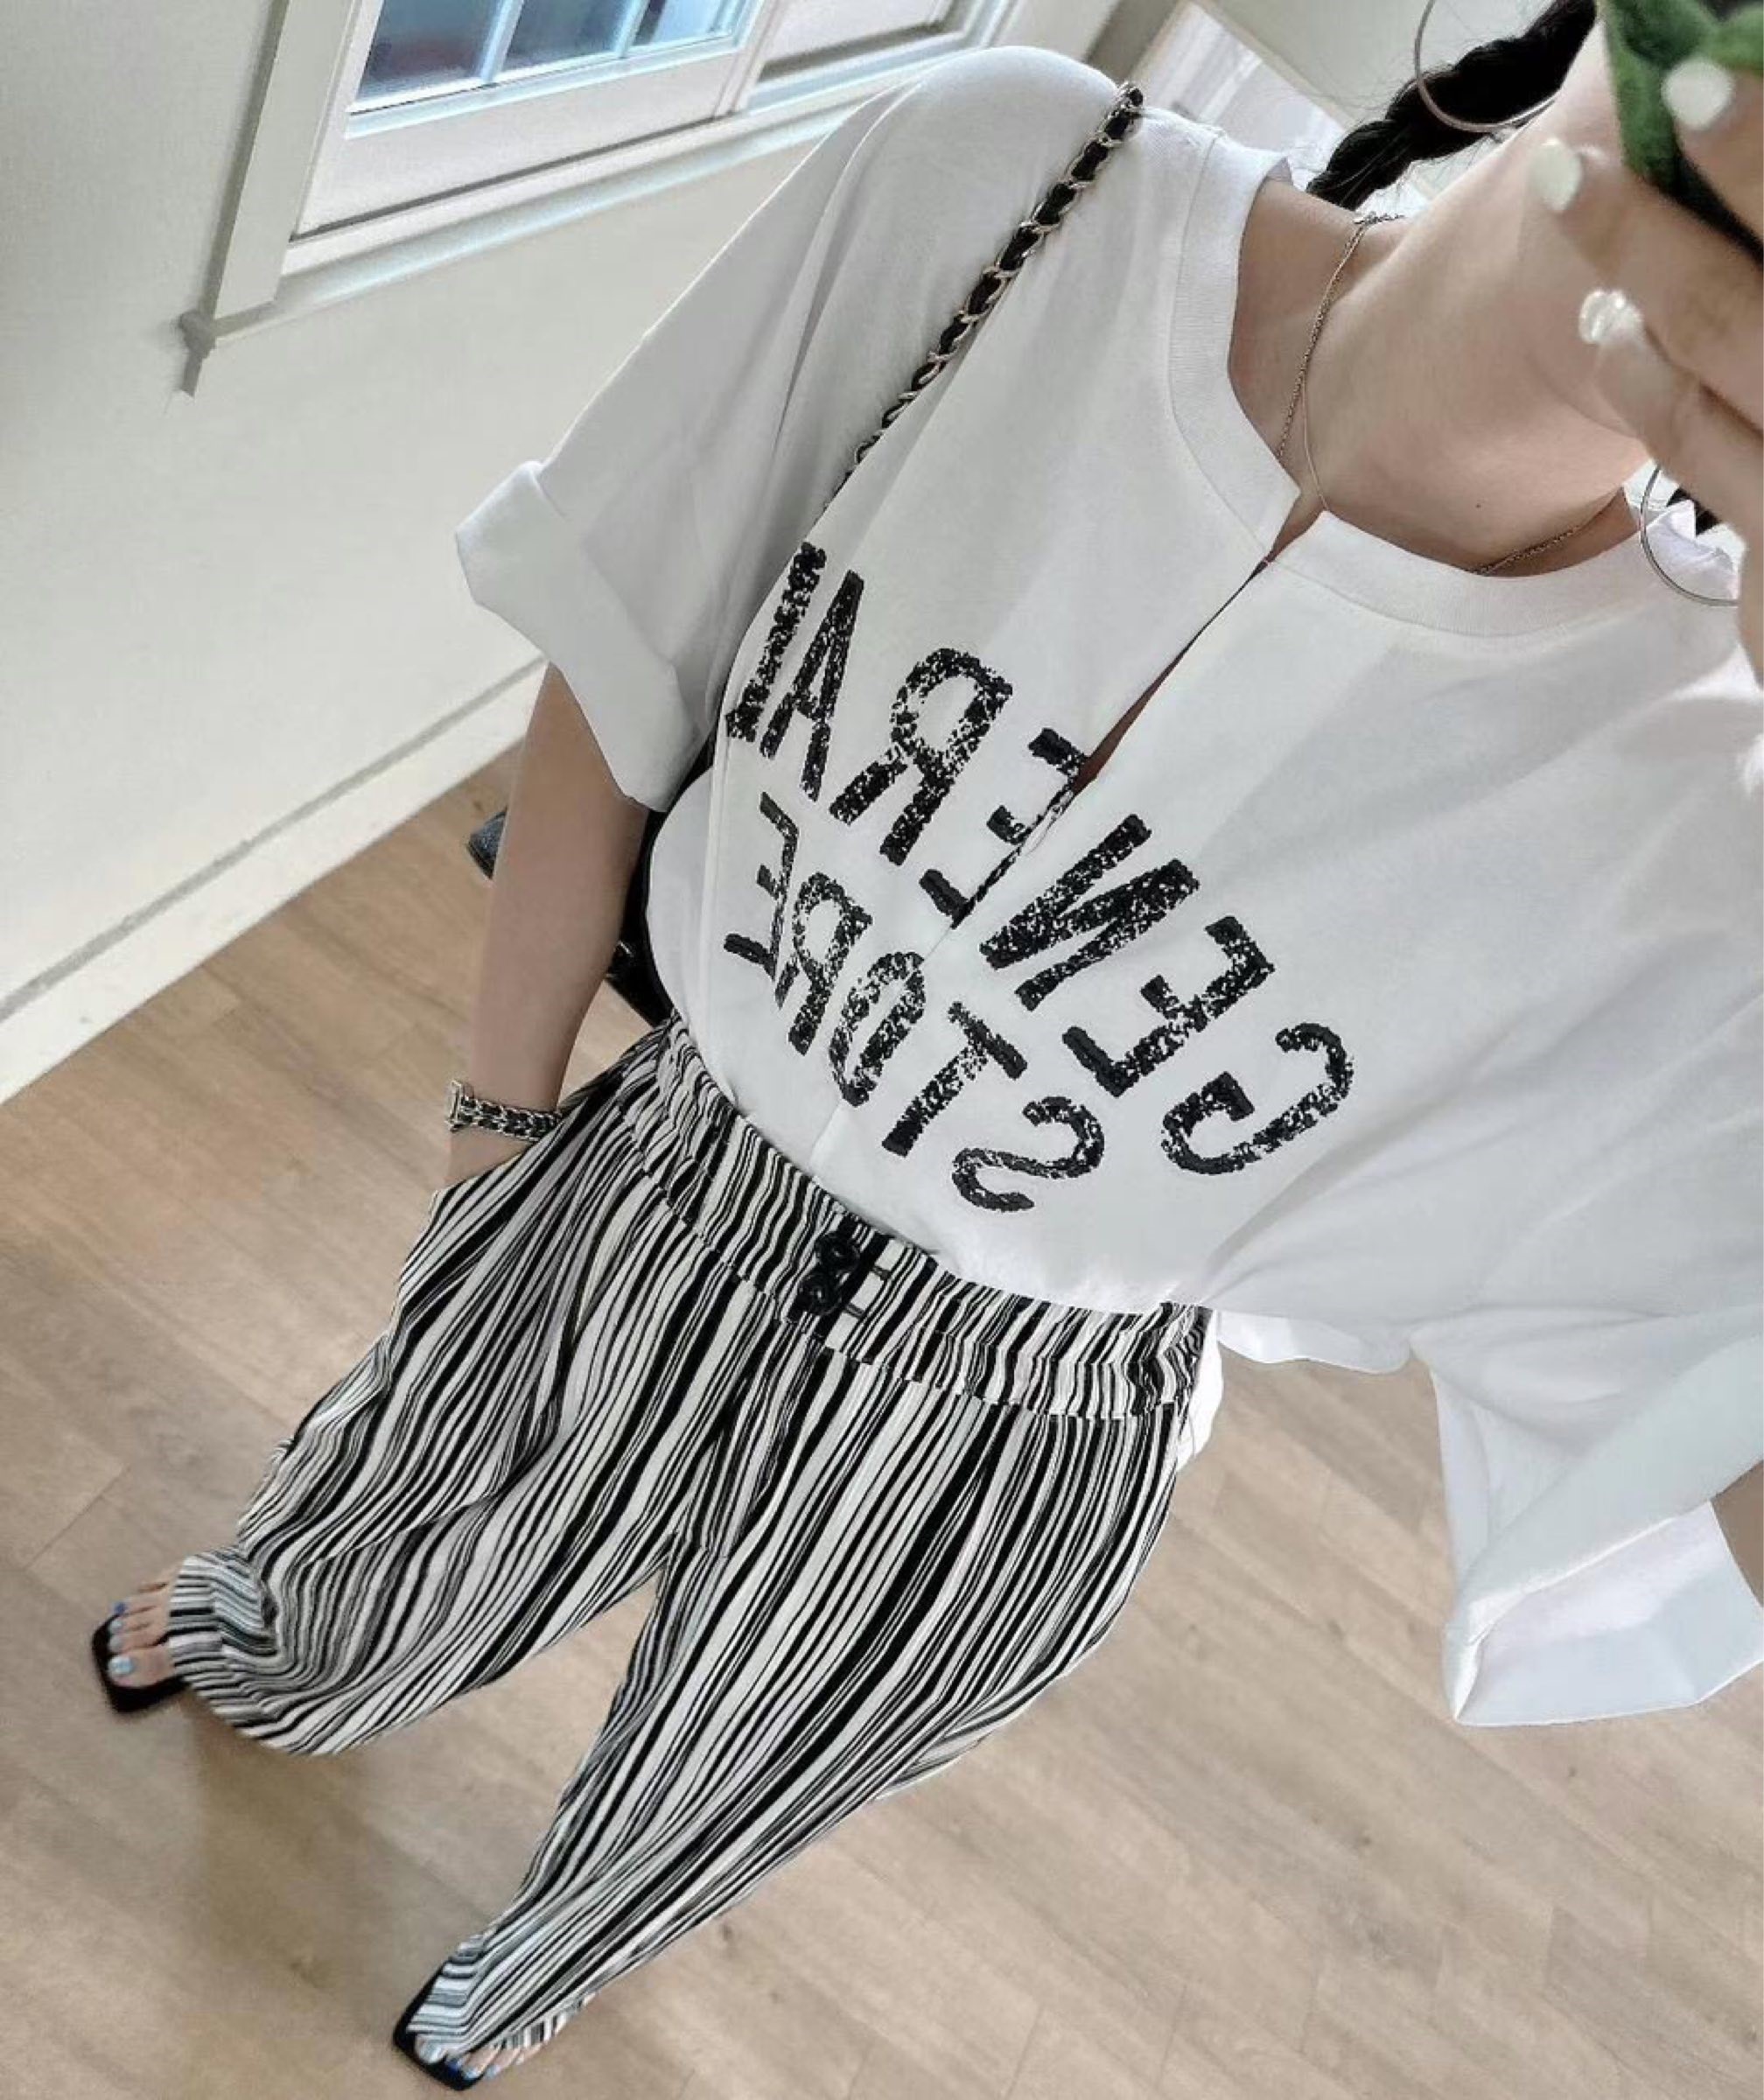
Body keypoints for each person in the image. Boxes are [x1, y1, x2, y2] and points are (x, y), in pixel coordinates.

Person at [99, 5, 1762, 2084]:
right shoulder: (1023, 183)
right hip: (652, 1178)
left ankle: (544, 1966)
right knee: (399, 1539)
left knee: (732, 1771)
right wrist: (491, 1134)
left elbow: (1714, 1470)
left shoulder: (1704, 810)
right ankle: (278, 1647)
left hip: (1016, 1424)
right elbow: (624, 642)